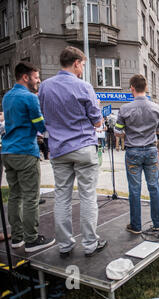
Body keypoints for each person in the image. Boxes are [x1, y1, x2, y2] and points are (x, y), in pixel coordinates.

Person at [39, 46, 106, 258]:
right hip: (83, 146)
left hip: (58, 148)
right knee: (87, 196)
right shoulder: (84, 87)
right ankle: (89, 243)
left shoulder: (45, 87)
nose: (82, 70)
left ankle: (65, 245)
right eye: (83, 65)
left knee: (62, 197)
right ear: (76, 63)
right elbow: (97, 121)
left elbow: (42, 117)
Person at [1, 62, 55, 252]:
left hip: (7, 151)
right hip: (25, 150)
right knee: (31, 197)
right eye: (36, 77)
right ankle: (32, 239)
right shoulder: (30, 98)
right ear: (26, 77)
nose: (38, 80)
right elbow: (41, 126)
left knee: (15, 195)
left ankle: (17, 238)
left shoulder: (7, 97)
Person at [114, 74, 159, 234]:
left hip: (133, 151)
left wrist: (127, 133)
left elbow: (117, 131)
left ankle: (136, 225)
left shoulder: (124, 109)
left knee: (134, 190)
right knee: (154, 187)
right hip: (150, 150)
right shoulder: (157, 108)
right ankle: (158, 223)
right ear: (146, 88)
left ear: (132, 89)